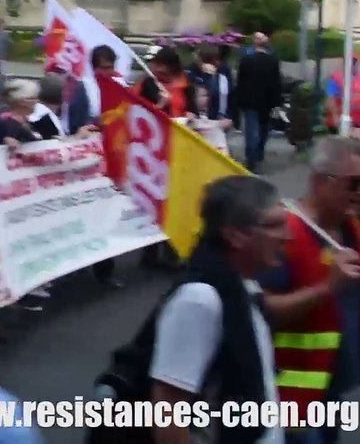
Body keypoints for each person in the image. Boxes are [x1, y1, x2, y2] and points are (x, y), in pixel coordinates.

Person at [150, 176, 289, 444]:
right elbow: (168, 411)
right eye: (274, 225)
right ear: (235, 235)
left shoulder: (240, 282)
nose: (287, 236)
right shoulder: (200, 299)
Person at [261, 137, 360, 444]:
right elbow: (262, 311)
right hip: (292, 397)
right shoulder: (285, 234)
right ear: (320, 182)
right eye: (353, 184)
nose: (359, 194)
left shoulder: (350, 227)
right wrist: (326, 288)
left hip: (334, 387)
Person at [235, 32, 283, 173]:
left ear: (255, 44)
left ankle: (251, 158)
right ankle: (259, 152)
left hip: (249, 100)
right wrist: (276, 102)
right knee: (263, 128)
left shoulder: (246, 61)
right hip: (266, 101)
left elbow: (240, 81)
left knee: (251, 130)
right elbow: (276, 83)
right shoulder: (272, 62)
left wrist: (239, 100)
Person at [136, 46, 197, 119]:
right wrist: (160, 105)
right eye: (157, 64)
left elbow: (193, 110)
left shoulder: (186, 85)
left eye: (163, 71)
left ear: (173, 68)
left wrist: (190, 116)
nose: (158, 69)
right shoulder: (148, 84)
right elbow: (137, 114)